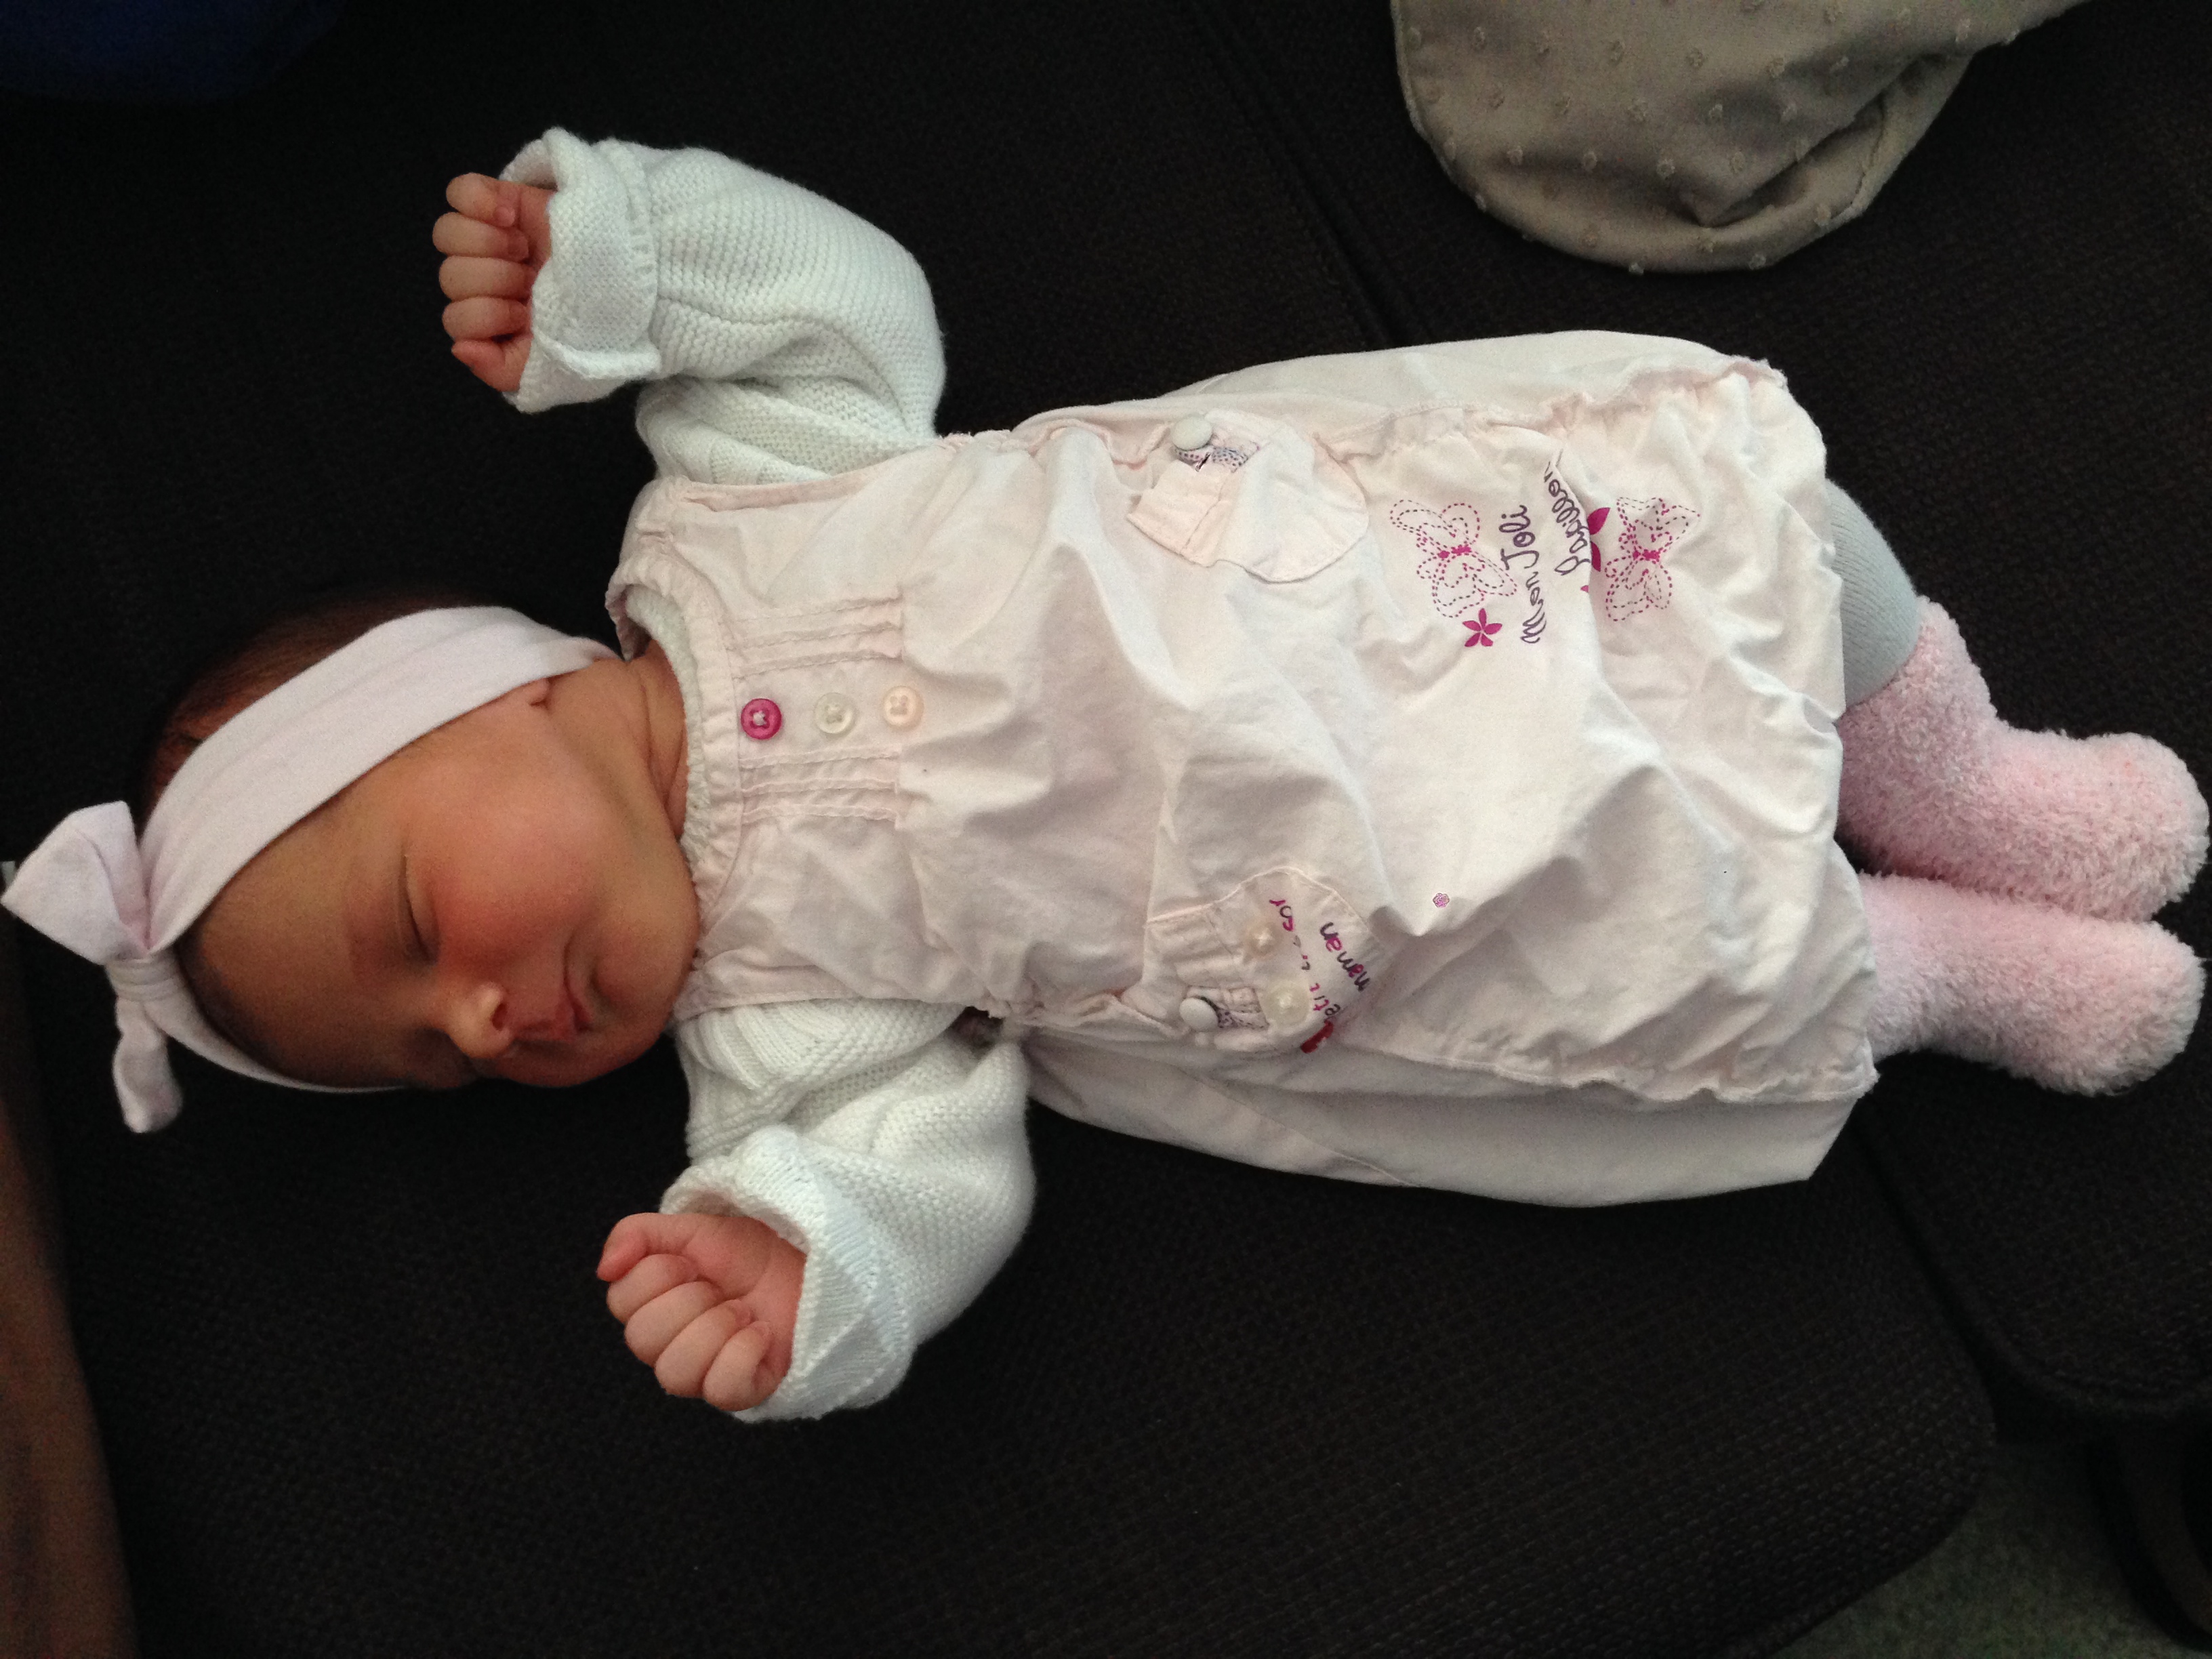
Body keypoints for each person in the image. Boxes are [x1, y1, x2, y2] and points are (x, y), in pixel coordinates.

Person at [5, 131, 2204, 1423]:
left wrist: (626, 259)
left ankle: (1975, 783)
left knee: (1775, 550)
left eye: (418, 934)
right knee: (1715, 958)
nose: (488, 1020)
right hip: (1437, 896)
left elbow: (840, 301)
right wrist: (816, 1268)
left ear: (483, 694)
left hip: (1438, 589)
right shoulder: (780, 1030)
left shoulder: (737, 501)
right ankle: (1950, 972)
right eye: (434, 1059)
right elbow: (938, 1176)